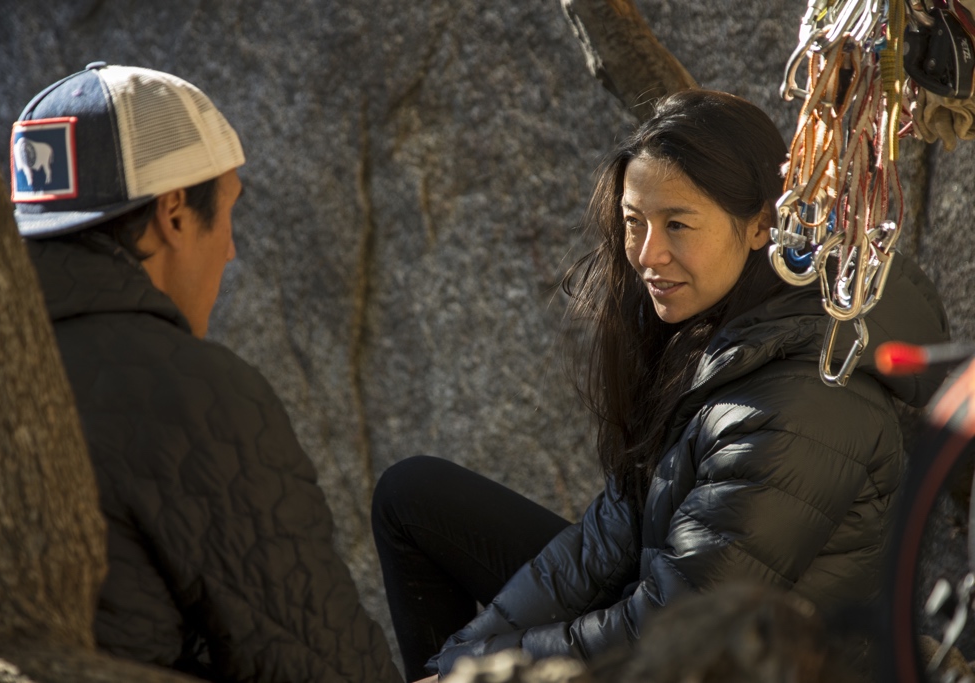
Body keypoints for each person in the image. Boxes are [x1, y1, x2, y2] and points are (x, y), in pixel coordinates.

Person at [371, 89, 950, 680]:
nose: (648, 255)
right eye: (633, 223)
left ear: (760, 226)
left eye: (677, 224)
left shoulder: (803, 399)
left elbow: (676, 625)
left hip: (746, 664)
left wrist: (474, 672)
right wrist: (461, 659)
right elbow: (602, 543)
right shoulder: (719, 332)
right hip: (670, 604)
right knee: (412, 495)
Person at [11, 62, 402, 683]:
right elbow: (323, 665)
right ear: (173, 214)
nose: (230, 248)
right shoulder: (191, 398)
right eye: (225, 211)